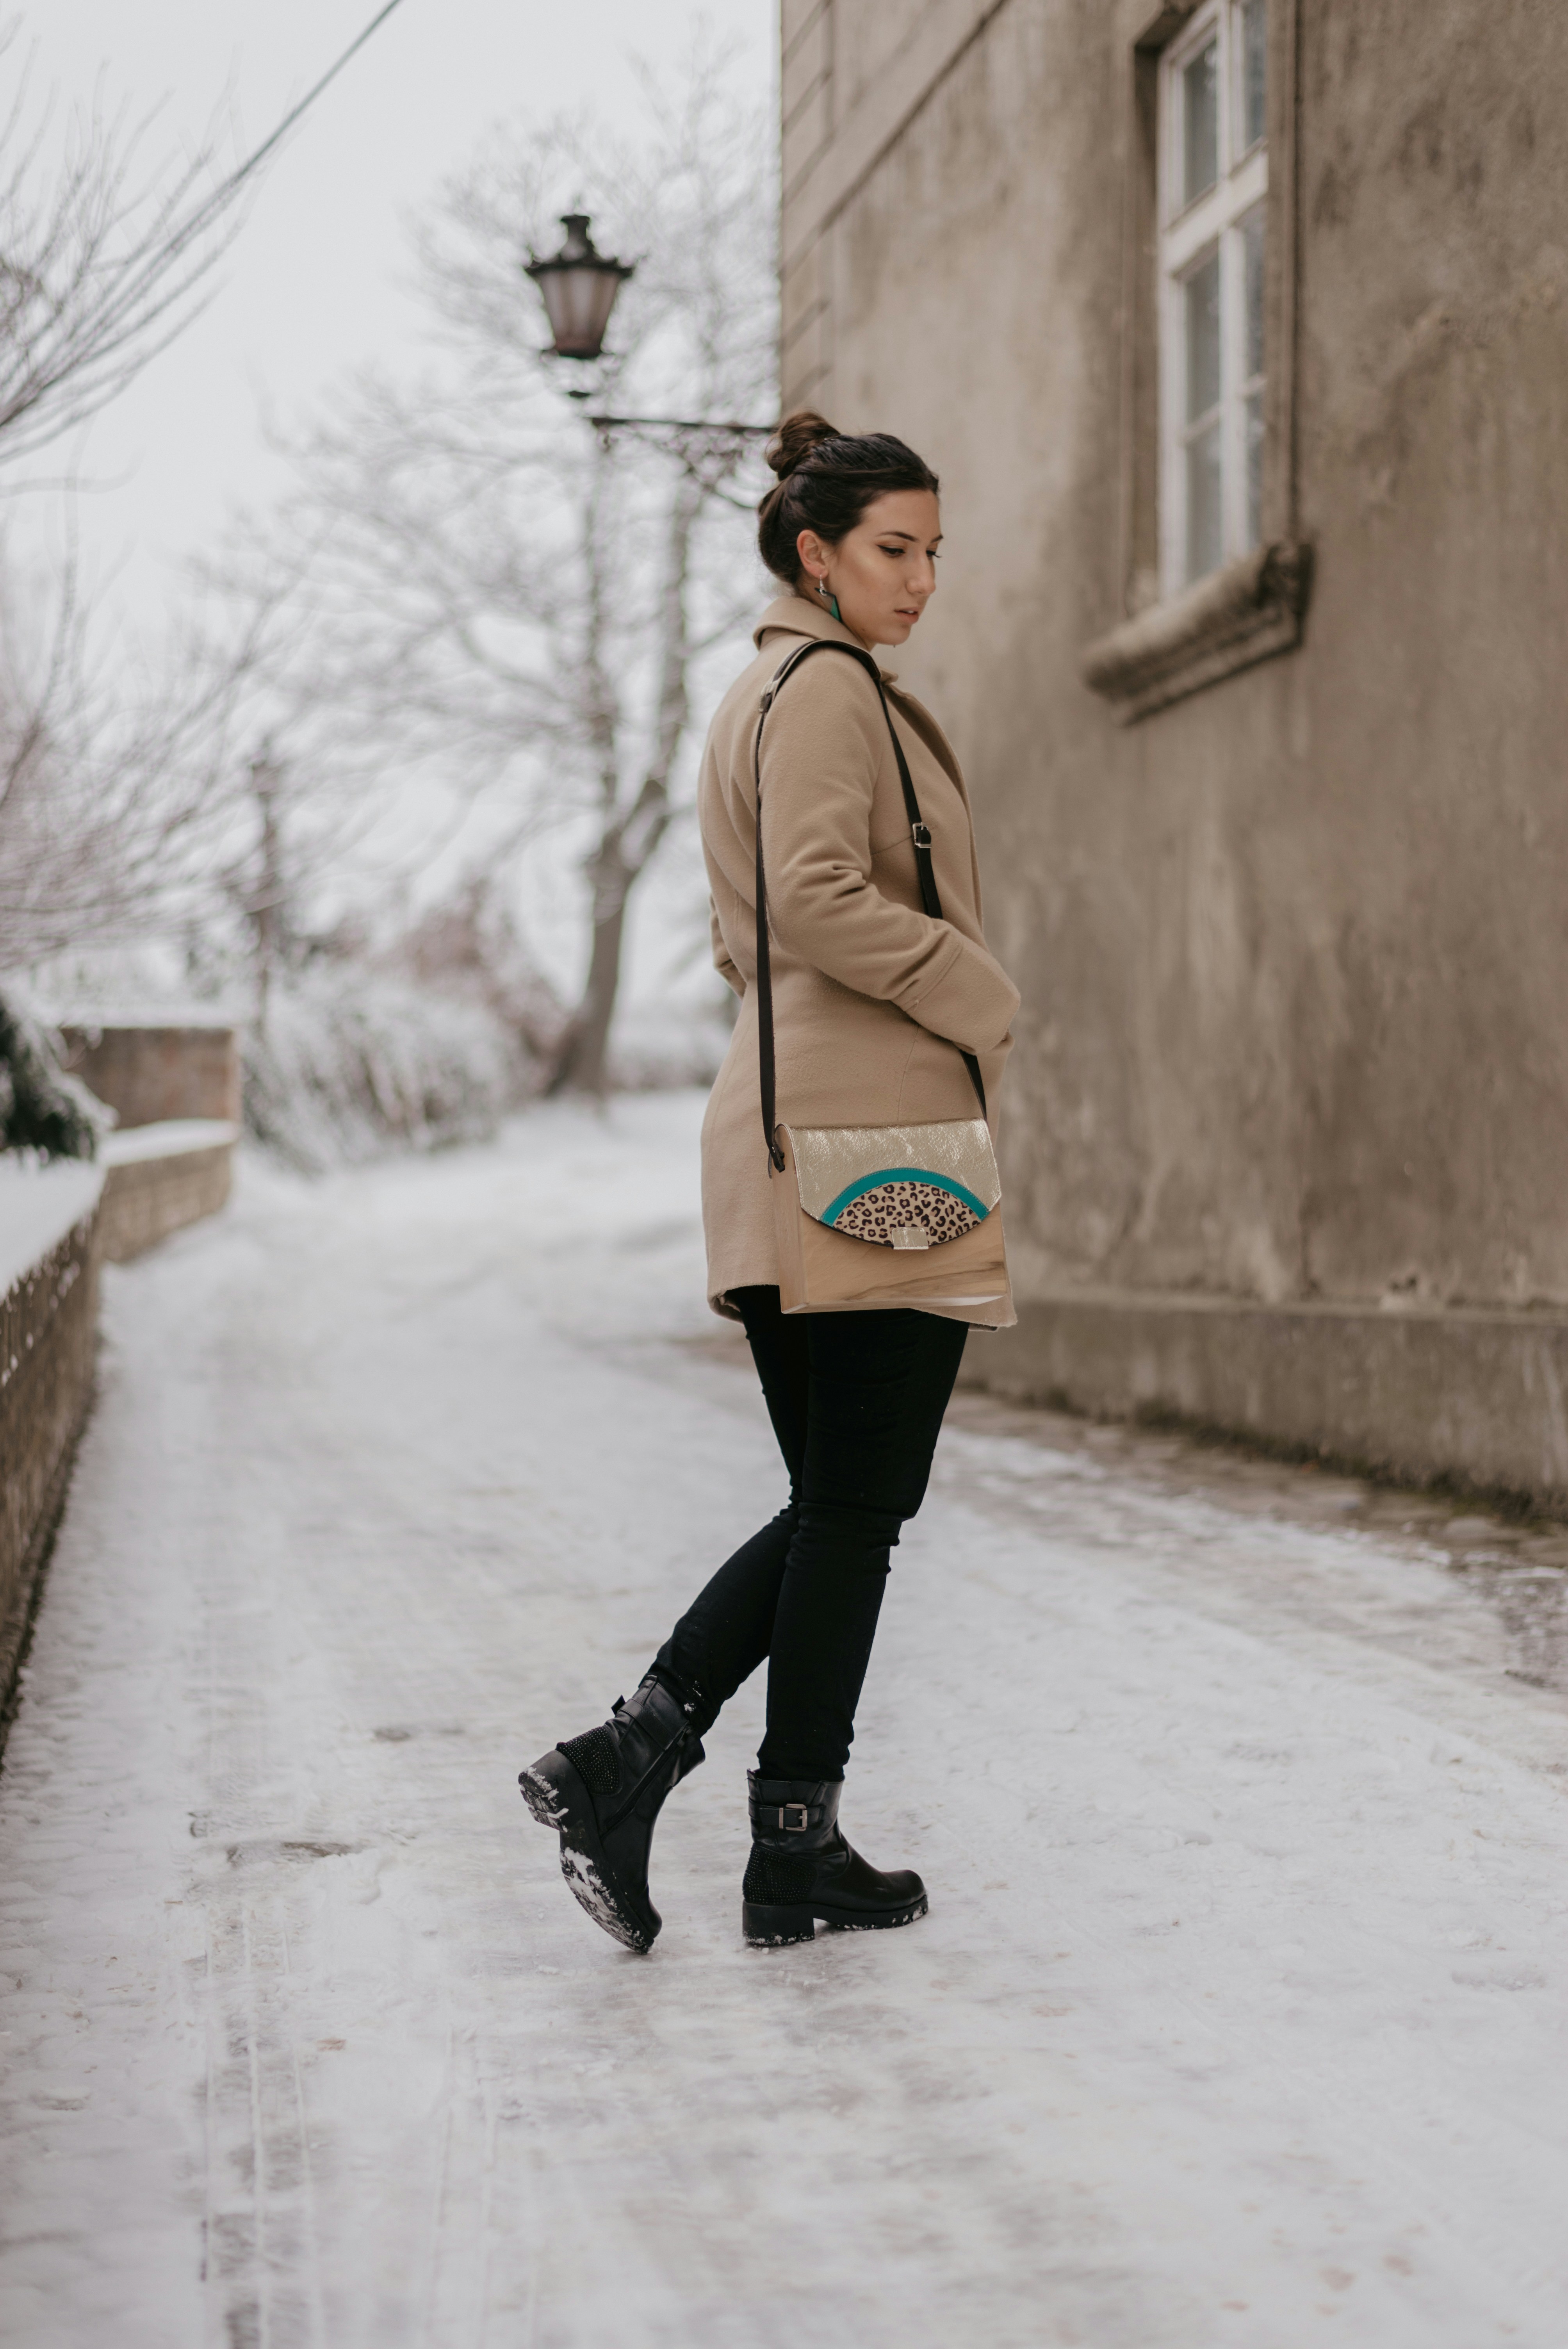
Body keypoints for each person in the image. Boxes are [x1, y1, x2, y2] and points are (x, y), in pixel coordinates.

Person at [520, 411, 1021, 1951]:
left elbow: (749, 936)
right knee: (860, 1503)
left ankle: (680, 1780)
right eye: (893, 548)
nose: (921, 578)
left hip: (793, 1128)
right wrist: (972, 987)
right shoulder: (822, 692)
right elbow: (809, 896)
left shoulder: (760, 692)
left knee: (840, 1502)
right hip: (866, 1147)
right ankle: (742, 1816)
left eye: (934, 550)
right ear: (813, 551)